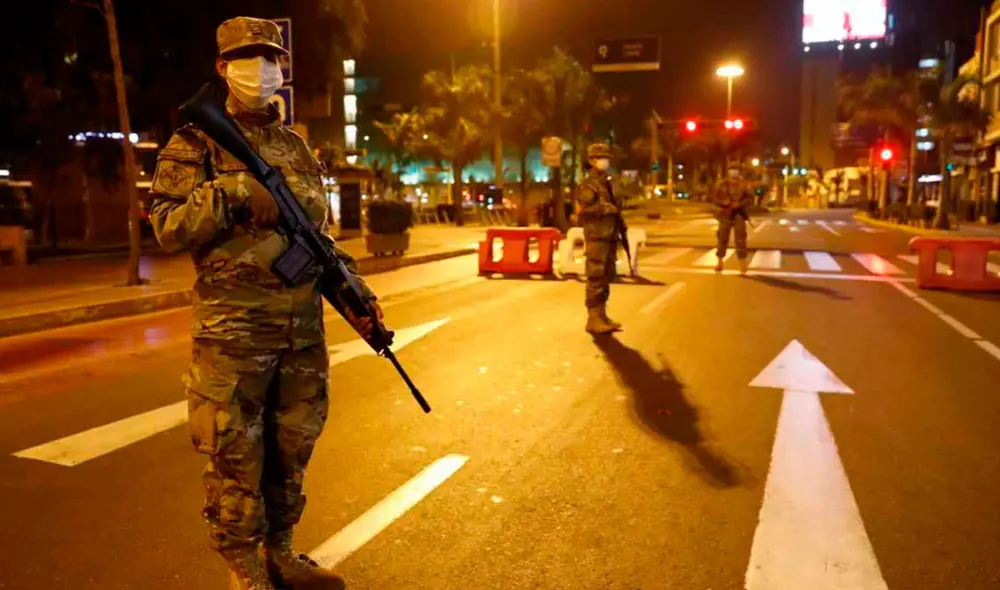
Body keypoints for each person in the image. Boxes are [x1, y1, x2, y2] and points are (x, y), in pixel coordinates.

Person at [149, 17, 380, 590]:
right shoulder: (194, 142)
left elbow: (317, 238)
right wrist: (230, 191)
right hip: (234, 335)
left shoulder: (295, 147)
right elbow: (167, 226)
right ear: (223, 67)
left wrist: (355, 290)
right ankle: (245, 569)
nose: (263, 69)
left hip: (301, 335)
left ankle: (281, 552)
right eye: (249, 58)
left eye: (272, 58)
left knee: (291, 449)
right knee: (236, 456)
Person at [576, 143, 623, 334]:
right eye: (601, 158)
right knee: (595, 276)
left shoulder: (606, 183)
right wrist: (604, 209)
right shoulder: (589, 184)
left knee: (606, 276)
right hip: (596, 236)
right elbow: (583, 210)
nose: (605, 161)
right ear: (592, 161)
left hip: (608, 235)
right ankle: (593, 318)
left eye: (606, 158)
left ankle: (602, 315)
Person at [713, 165, 753, 275]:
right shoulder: (721, 184)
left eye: (735, 170)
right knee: (722, 238)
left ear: (739, 171)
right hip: (725, 214)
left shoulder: (744, 184)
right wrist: (723, 202)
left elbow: (750, 199)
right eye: (731, 169)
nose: (733, 172)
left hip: (739, 214)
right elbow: (715, 199)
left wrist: (739, 204)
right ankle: (720, 263)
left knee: (740, 239)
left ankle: (743, 265)